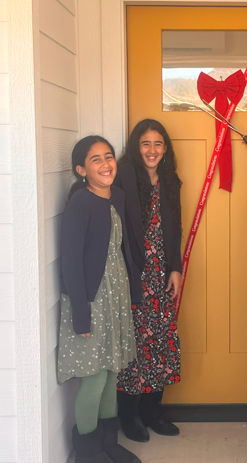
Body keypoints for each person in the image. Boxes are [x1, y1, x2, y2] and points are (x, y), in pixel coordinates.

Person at [57, 136, 141, 463]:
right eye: (96, 160)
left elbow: (123, 248)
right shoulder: (81, 203)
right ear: (81, 170)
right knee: (93, 378)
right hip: (90, 300)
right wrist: (81, 314)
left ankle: (108, 442)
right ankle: (88, 450)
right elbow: (71, 262)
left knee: (111, 372)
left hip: (115, 296)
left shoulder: (116, 196)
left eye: (108, 156)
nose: (106, 164)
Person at [115, 119, 183, 442]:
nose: (152, 150)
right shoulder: (125, 175)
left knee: (159, 343)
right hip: (134, 273)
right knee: (134, 345)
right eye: (145, 143)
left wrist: (175, 268)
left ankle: (152, 411)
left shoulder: (169, 180)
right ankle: (129, 415)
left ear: (165, 148)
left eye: (158, 143)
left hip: (161, 276)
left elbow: (176, 227)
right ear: (135, 147)